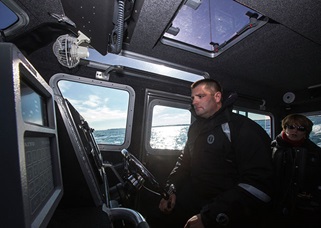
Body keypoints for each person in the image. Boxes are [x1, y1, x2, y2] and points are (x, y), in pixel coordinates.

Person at [147, 78, 274, 228]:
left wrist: (210, 217)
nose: (194, 102)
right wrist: (171, 190)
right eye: (193, 98)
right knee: (154, 217)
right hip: (197, 198)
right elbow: (184, 162)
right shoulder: (195, 129)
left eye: (200, 96)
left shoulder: (243, 129)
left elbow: (259, 186)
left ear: (217, 97)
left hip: (228, 206)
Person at [271, 114, 321, 227]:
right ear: (284, 128)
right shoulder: (270, 148)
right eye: (291, 127)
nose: (295, 131)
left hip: (304, 207)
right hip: (274, 202)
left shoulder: (316, 153)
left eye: (301, 128)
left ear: (306, 132)